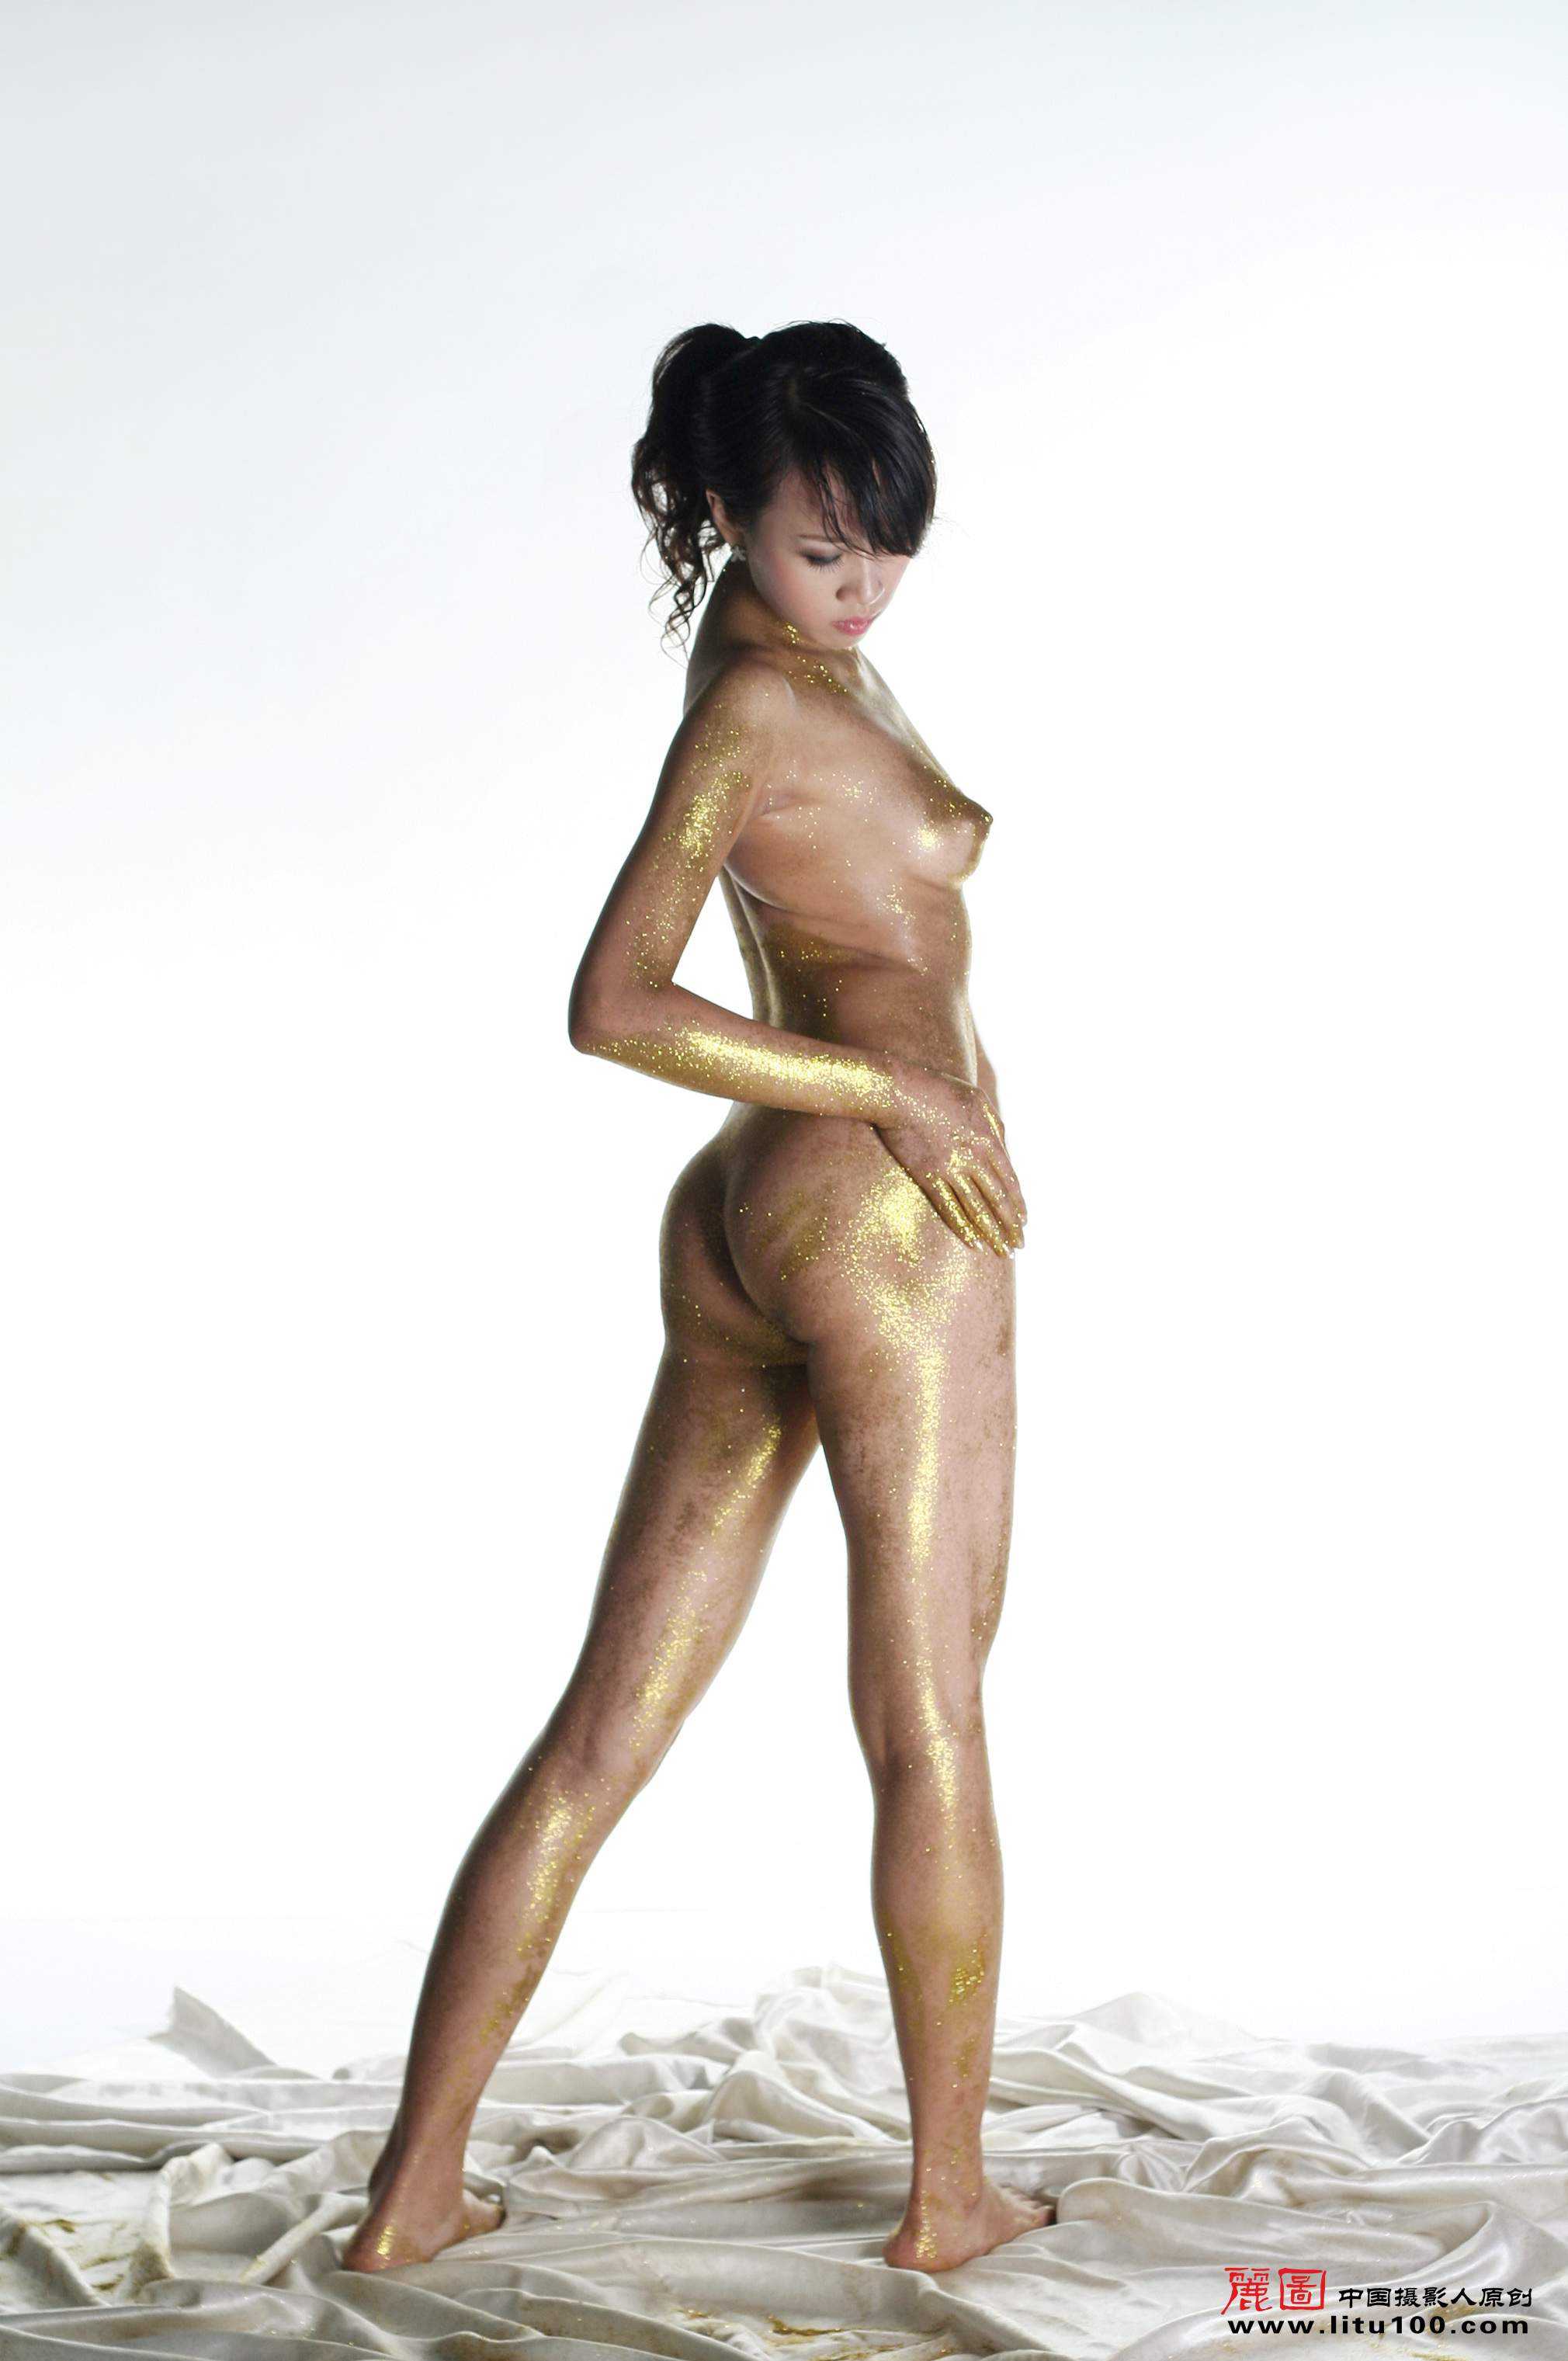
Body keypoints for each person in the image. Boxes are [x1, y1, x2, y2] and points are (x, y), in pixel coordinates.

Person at [344, 318, 1048, 2278]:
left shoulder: (771, 646)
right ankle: (947, 2200)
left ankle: (414, 2193)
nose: (864, 583)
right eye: (824, 549)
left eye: (886, 542)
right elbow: (614, 1003)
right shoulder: (753, 696)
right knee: (926, 1715)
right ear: (726, 513)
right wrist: (903, 1094)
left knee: (605, 1725)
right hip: (877, 1221)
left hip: (747, 1220)